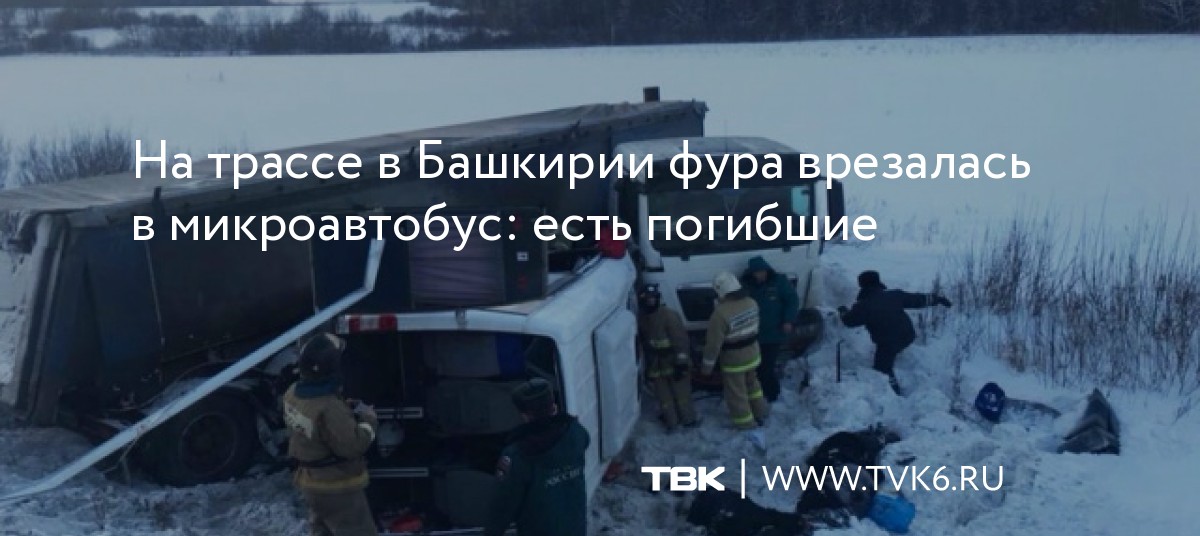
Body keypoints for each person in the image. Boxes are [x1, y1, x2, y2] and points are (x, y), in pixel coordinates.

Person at [283, 332, 380, 536]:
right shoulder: (329, 408)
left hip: (312, 484)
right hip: (337, 488)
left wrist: (342, 408)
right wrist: (368, 419)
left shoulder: (292, 393)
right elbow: (352, 446)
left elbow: (316, 421)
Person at [485, 378, 590, 536]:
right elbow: (584, 441)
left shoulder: (517, 455)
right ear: (553, 407)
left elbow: (502, 505)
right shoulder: (575, 433)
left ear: (525, 416)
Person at [838, 271, 952, 395]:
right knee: (891, 346)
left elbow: (849, 321)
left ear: (862, 285)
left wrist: (843, 311)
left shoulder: (863, 306)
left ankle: (894, 395)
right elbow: (918, 299)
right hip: (908, 335)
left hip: (888, 343)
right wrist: (938, 299)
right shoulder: (894, 295)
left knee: (882, 368)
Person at [701, 271, 769, 432]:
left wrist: (706, 368)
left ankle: (745, 423)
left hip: (734, 361)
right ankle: (760, 412)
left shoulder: (720, 314)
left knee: (736, 393)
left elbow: (713, 345)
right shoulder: (752, 302)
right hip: (753, 354)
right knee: (753, 385)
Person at [636, 283, 698, 431]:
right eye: (647, 299)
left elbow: (681, 341)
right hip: (656, 365)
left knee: (681, 394)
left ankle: (688, 419)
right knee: (664, 398)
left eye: (653, 298)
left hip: (673, 361)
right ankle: (671, 421)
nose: (650, 302)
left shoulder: (669, 316)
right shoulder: (642, 318)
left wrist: (682, 363)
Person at [742, 256, 800, 403]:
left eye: (763, 271)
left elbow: (792, 300)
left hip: (774, 334)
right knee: (757, 366)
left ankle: (772, 394)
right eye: (757, 272)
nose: (761, 274)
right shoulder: (746, 285)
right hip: (753, 334)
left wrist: (788, 320)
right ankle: (759, 394)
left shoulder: (779, 282)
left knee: (766, 366)